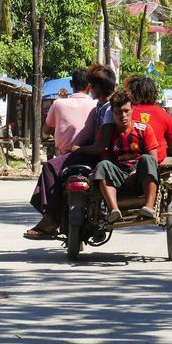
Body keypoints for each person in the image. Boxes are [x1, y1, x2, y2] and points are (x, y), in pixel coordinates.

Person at [25, 63, 117, 240]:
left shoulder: (105, 110)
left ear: (96, 87)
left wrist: (80, 148)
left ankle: (51, 218)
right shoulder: (97, 106)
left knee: (50, 167)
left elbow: (101, 144)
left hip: (91, 154)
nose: (91, 91)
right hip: (90, 153)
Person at [91, 89, 160, 222]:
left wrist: (135, 172)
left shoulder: (144, 129)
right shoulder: (106, 134)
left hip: (139, 176)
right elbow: (105, 159)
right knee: (102, 165)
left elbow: (154, 160)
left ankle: (149, 207)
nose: (123, 115)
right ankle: (113, 210)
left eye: (126, 111)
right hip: (119, 177)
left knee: (147, 159)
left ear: (132, 109)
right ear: (112, 112)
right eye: (118, 112)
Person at [125, 76, 172, 162]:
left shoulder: (124, 112)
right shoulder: (163, 114)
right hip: (155, 167)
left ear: (131, 94)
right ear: (153, 94)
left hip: (126, 164)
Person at [43, 69, 95, 155]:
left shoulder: (58, 104)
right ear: (90, 86)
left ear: (71, 84)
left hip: (63, 157)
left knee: (47, 167)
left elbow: (46, 132)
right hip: (89, 158)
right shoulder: (96, 105)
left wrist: (47, 135)